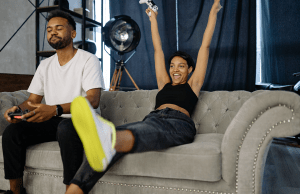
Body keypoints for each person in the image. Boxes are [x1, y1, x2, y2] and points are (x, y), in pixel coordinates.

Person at [65, 1, 222, 193]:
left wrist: (213, 12)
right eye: (172, 65)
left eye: (181, 66)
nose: (175, 70)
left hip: (178, 123)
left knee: (113, 137)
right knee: (101, 147)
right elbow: (158, 50)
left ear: (190, 70)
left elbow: (204, 47)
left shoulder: (193, 85)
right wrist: (153, 19)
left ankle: (107, 137)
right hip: (152, 118)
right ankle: (74, 189)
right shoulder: (164, 83)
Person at [2, 10, 105, 194]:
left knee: (65, 128)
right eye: (49, 30)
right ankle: (15, 191)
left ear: (73, 33)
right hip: (57, 120)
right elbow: (33, 101)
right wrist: (17, 110)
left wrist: (55, 109)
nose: (53, 33)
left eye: (59, 28)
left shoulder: (88, 60)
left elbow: (93, 100)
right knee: (13, 132)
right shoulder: (45, 65)